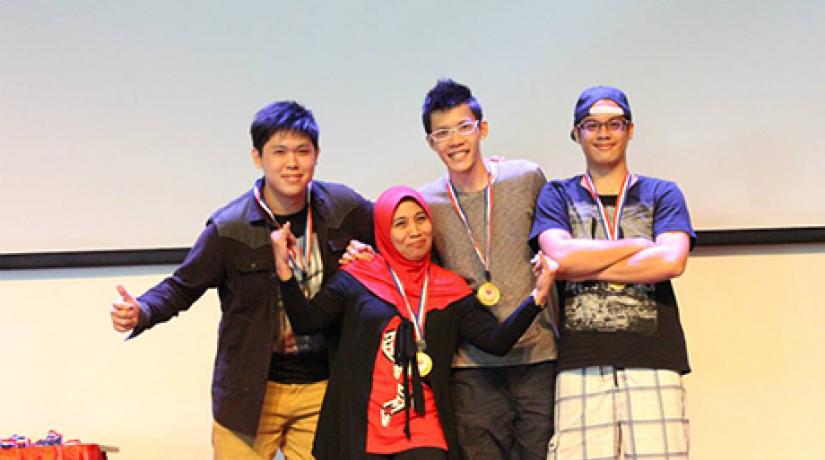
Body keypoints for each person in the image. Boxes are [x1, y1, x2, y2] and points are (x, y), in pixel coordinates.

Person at [109, 100, 374, 460]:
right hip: (250, 391)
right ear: (257, 157)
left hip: (324, 385)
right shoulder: (229, 227)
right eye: (279, 152)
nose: (292, 163)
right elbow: (182, 286)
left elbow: (396, 241)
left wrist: (373, 260)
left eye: (302, 151)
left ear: (317, 154)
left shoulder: (345, 208)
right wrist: (141, 310)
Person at [271, 185, 557, 460]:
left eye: (421, 219)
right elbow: (307, 321)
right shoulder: (358, 276)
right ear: (383, 231)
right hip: (364, 426)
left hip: (425, 425)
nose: (415, 231)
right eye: (401, 224)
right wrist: (285, 271)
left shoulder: (450, 288)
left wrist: (538, 297)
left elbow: (496, 341)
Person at [530, 86, 694, 459]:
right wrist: (639, 245)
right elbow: (560, 258)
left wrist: (582, 263)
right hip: (580, 363)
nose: (603, 133)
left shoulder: (663, 193)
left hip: (654, 359)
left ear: (630, 130)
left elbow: (671, 262)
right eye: (591, 125)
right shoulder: (557, 195)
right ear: (577, 134)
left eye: (614, 124)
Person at [418, 79, 557, 460]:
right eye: (441, 133)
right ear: (431, 143)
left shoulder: (526, 178)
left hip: (537, 356)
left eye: (464, 127)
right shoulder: (427, 203)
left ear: (483, 128)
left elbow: (551, 249)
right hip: (471, 367)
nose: (455, 141)